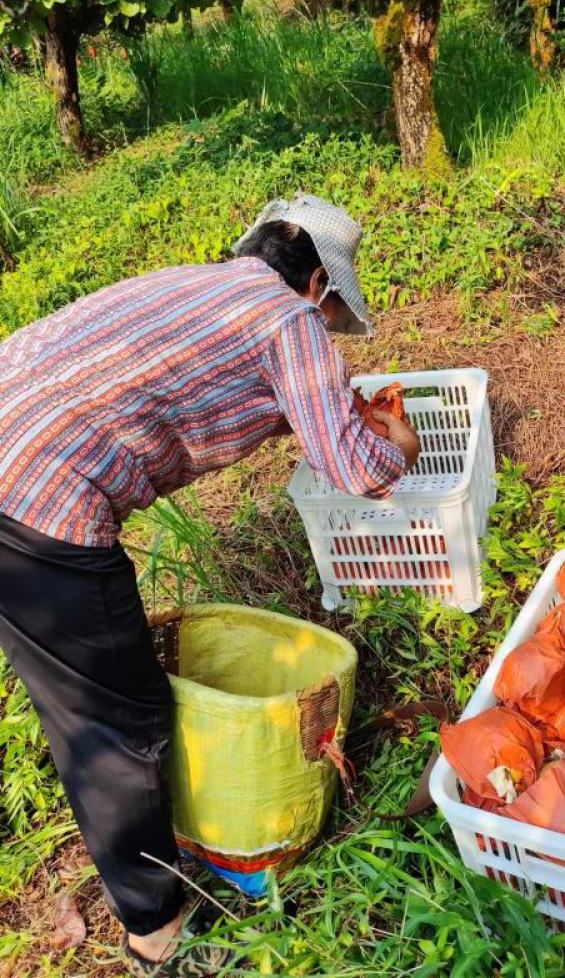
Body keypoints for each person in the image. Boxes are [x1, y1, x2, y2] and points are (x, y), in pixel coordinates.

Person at [0, 194, 420, 975]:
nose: (328, 330)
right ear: (320, 287)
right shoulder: (287, 320)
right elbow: (359, 468)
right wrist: (401, 440)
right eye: (333, 316)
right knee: (117, 719)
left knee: (74, 691)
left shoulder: (198, 285)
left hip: (10, 457)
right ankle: (154, 927)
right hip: (38, 498)